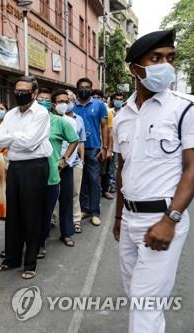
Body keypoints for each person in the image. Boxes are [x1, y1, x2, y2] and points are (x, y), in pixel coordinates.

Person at [113, 29, 194, 333]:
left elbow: (192, 169)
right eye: (156, 58)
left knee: (146, 303)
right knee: (137, 297)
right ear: (135, 68)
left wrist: (170, 220)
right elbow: (123, 169)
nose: (166, 65)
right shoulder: (123, 116)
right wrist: (119, 215)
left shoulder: (184, 108)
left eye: (170, 58)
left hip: (162, 217)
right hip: (131, 219)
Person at [0, 76, 51, 280]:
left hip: (35, 166)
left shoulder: (41, 113)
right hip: (15, 166)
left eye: (24, 91)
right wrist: (18, 136)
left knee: (32, 215)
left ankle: (30, 263)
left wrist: (11, 137)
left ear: (34, 93)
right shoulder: (10, 114)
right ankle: (11, 258)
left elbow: (31, 143)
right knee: (13, 214)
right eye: (17, 91)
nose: (19, 94)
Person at [37, 89, 79, 258]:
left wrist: (65, 160)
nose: (64, 104)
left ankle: (67, 233)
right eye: (60, 101)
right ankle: (41, 238)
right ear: (53, 103)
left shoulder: (71, 121)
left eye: (66, 101)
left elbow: (76, 141)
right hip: (46, 167)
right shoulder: (42, 121)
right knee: (45, 204)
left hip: (65, 166)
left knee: (66, 200)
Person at [73, 77, 109, 226]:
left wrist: (105, 148)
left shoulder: (99, 105)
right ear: (77, 89)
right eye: (81, 87)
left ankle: (95, 212)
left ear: (91, 88)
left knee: (94, 180)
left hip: (94, 147)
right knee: (81, 181)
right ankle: (85, 209)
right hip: (75, 148)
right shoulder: (72, 106)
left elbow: (104, 127)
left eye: (87, 87)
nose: (84, 89)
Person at [65, 89, 86, 233]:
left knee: (75, 193)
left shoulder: (79, 119)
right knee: (56, 193)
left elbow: (81, 141)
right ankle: (53, 218)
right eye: (65, 100)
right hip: (59, 162)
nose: (68, 103)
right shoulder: (55, 118)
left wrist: (82, 161)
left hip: (75, 162)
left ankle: (76, 219)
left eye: (71, 100)